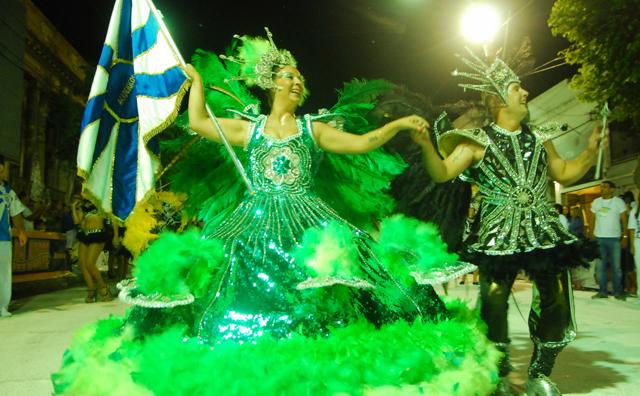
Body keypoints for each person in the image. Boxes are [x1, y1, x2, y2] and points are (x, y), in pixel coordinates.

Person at [54, 32, 497, 395]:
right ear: (273, 85)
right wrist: (197, 87)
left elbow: (363, 143)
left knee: (351, 283)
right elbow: (198, 124)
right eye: (289, 76)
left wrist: (398, 126)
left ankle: (328, 357)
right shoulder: (248, 128)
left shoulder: (314, 127)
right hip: (251, 219)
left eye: (300, 76)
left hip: (310, 221)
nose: (297, 82)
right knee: (225, 282)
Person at [412, 53, 602, 395]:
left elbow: (565, 173)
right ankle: (498, 373)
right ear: (499, 100)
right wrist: (427, 145)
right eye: (517, 88)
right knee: (495, 301)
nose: (525, 93)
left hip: (543, 231)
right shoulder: (476, 142)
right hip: (497, 235)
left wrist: (589, 152)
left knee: (556, 300)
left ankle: (540, 373)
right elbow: (442, 172)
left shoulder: (540, 139)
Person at [590, 182, 628, 300]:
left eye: (605, 187)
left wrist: (625, 236)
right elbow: (592, 218)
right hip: (599, 238)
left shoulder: (618, 202)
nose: (602, 189)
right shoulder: (596, 202)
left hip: (614, 239)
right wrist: (591, 235)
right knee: (600, 267)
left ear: (612, 189)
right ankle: (602, 292)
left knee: (616, 267)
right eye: (601, 187)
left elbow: (624, 220)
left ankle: (618, 292)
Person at [0, 154, 27, 317]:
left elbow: (16, 212)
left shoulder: (8, 191)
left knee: (3, 273)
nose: (0, 175)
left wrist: (21, 231)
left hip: (3, 239)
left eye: (2, 171)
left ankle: (2, 306)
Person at [70, 197, 113, 303]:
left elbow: (112, 220)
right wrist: (73, 208)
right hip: (85, 235)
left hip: (98, 235)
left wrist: (115, 235)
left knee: (90, 264)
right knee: (82, 265)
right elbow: (76, 221)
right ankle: (91, 290)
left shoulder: (103, 201)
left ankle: (103, 288)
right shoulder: (83, 206)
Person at [628, 192, 640, 302]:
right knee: (639, 269)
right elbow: (631, 229)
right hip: (638, 243)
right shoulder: (635, 211)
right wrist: (632, 245)